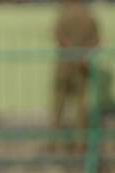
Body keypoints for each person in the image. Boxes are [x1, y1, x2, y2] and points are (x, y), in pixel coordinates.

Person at [52, 0, 100, 153]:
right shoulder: (89, 16)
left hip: (65, 66)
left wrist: (72, 52)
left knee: (58, 105)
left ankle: (54, 143)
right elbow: (96, 41)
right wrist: (81, 56)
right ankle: (81, 144)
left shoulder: (63, 15)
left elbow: (58, 36)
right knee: (81, 107)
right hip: (82, 66)